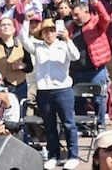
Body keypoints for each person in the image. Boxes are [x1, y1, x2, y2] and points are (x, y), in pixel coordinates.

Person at [21, 18, 81, 170]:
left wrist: (68, 39)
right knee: (49, 125)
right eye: (46, 30)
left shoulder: (63, 45)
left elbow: (75, 56)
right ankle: (53, 154)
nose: (49, 33)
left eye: (52, 30)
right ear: (42, 33)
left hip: (63, 90)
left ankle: (73, 155)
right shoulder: (37, 47)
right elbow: (23, 38)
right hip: (44, 91)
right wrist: (26, 20)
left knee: (68, 123)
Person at [68, 0, 112, 131]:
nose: (74, 18)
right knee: (78, 100)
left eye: (77, 15)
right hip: (76, 70)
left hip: (95, 70)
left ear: (86, 11)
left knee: (98, 99)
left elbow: (106, 18)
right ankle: (82, 126)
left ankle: (100, 124)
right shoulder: (71, 27)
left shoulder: (96, 23)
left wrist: (96, 3)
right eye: (73, 15)